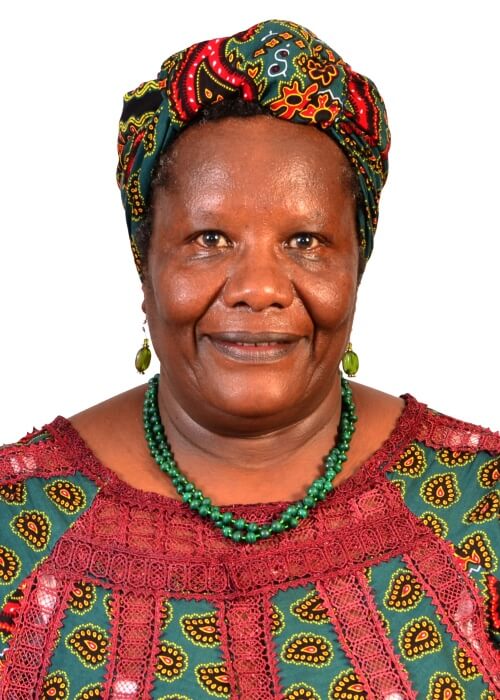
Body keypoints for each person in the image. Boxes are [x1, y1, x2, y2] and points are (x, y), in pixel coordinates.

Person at [0, 17, 498, 700]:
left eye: (305, 241)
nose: (259, 288)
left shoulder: (481, 502)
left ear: (357, 264)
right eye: (209, 239)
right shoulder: (15, 521)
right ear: (145, 266)